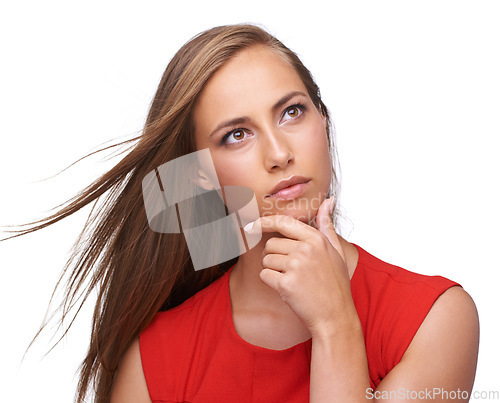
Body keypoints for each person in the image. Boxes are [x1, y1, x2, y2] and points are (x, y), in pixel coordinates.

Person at [3, 24, 479, 402]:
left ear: (324, 122)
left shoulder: (434, 320)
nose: (278, 153)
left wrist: (335, 325)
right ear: (199, 179)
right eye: (236, 134)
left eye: (292, 112)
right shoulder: (154, 361)